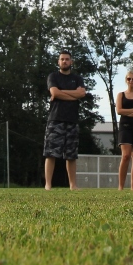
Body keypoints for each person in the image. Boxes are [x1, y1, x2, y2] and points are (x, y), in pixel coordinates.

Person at [44, 51, 87, 190]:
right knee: (51, 153)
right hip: (55, 119)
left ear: (71, 62)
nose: (64, 61)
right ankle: (48, 184)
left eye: (67, 59)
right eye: (62, 59)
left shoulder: (78, 78)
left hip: (72, 120)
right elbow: (54, 93)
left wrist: (61, 93)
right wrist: (72, 94)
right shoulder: (53, 76)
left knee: (71, 155)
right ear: (58, 62)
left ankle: (73, 185)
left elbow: (81, 93)